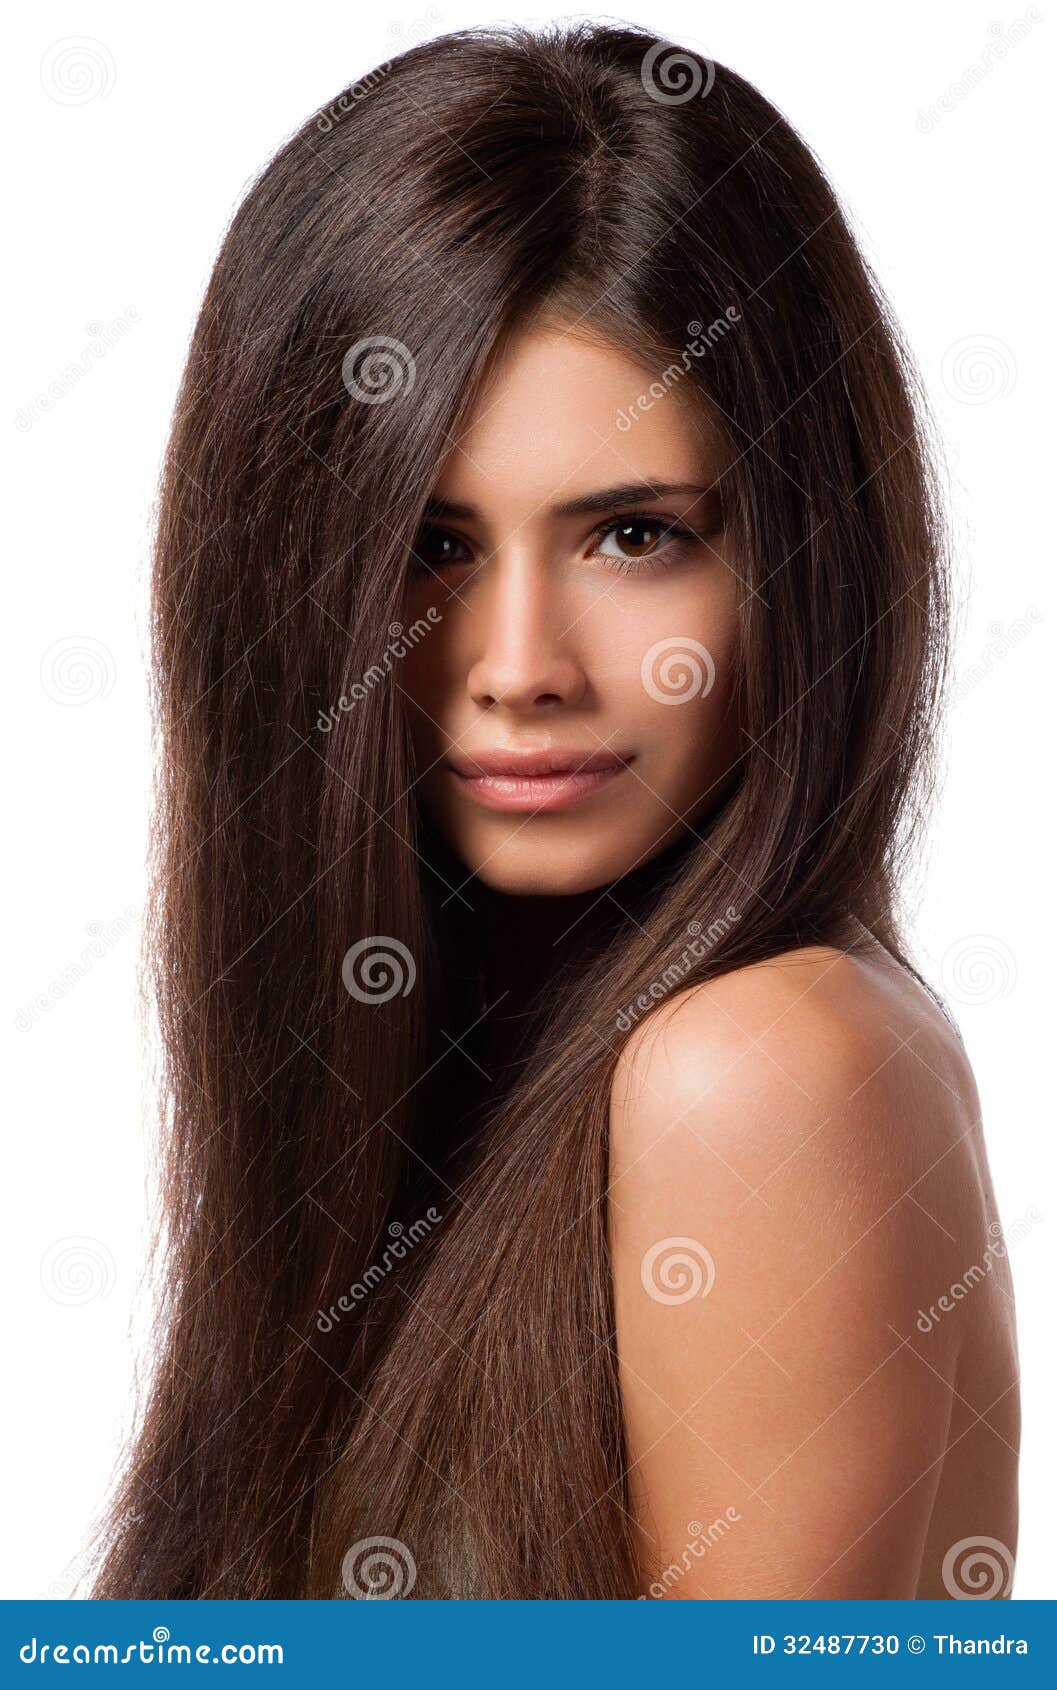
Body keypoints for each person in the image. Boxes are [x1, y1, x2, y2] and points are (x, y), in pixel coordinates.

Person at [89, 20, 1019, 1601]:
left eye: (633, 536)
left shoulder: (758, 1070)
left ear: (807, 551)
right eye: (431, 547)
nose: (518, 668)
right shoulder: (461, 1080)